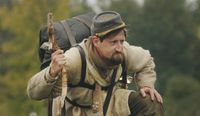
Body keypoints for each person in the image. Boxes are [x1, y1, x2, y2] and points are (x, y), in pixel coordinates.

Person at [27, 11, 164, 116]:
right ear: (96, 41)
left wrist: (146, 84)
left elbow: (146, 60)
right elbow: (33, 92)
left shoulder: (124, 52)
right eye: (113, 42)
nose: (119, 47)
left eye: (121, 41)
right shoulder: (74, 59)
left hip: (110, 103)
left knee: (150, 102)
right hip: (76, 109)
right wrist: (51, 72)